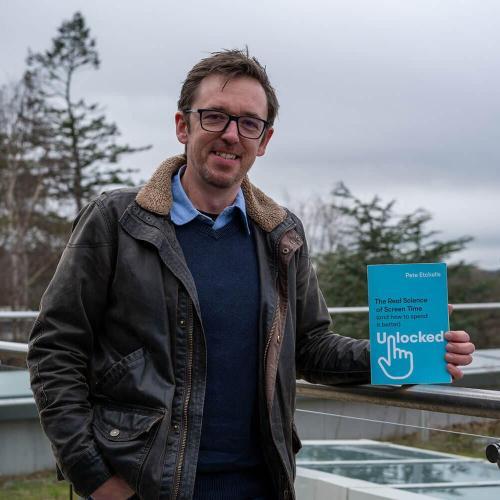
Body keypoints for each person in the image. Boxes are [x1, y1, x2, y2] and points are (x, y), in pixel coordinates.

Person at [27, 49, 474, 500]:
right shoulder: (117, 221)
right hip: (144, 486)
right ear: (183, 126)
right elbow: (55, 349)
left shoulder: (280, 235)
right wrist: (93, 476)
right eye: (215, 117)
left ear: (264, 139)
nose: (230, 135)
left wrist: (403, 352)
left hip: (260, 485)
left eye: (248, 123)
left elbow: (312, 348)